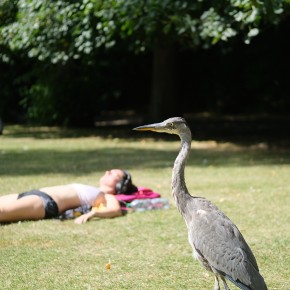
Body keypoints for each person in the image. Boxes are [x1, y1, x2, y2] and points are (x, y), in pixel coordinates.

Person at [0, 169, 137, 224]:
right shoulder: (96, 190)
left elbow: (116, 210)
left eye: (113, 173)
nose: (108, 171)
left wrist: (93, 214)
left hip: (45, 202)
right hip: (32, 194)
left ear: (119, 185)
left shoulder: (108, 197)